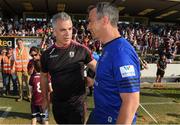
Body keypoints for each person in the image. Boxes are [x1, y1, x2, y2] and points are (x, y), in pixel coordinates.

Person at [87, 2, 140, 124]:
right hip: (99, 116)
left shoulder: (122, 52)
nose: (88, 27)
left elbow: (131, 102)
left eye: (91, 21)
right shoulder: (109, 47)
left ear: (105, 20)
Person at [40, 12, 96, 124]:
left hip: (77, 105)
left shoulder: (81, 50)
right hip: (58, 104)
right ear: (54, 32)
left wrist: (91, 78)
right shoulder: (47, 54)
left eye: (70, 29)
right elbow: (44, 77)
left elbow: (97, 67)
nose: (68, 33)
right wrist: (45, 99)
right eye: (63, 30)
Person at [29, 60, 52, 125]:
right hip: (44, 101)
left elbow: (30, 91)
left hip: (35, 101)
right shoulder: (47, 76)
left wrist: (30, 97)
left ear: (34, 69)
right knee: (45, 119)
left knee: (34, 118)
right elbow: (50, 89)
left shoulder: (32, 77)